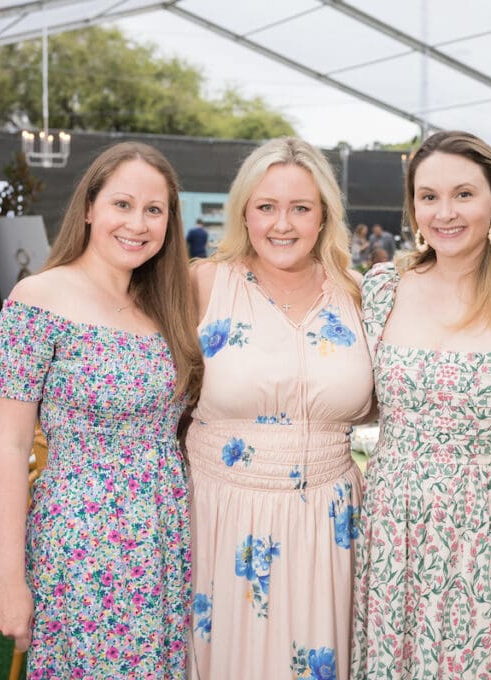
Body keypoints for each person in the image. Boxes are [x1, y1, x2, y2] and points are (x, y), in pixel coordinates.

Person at [0, 142, 202, 678]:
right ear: (89, 208)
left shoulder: (164, 305)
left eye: (155, 210)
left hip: (166, 529)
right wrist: (8, 582)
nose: (139, 223)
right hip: (84, 539)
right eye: (122, 205)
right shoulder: (36, 300)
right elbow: (10, 450)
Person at [351, 130, 491, 678]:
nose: (445, 212)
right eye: (429, 196)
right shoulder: (381, 287)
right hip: (398, 523)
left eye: (463, 194)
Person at [186, 137, 373, 679]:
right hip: (222, 517)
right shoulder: (202, 284)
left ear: (324, 217)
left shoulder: (358, 294)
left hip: (330, 523)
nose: (282, 224)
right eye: (267, 206)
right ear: (244, 211)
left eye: (300, 208)